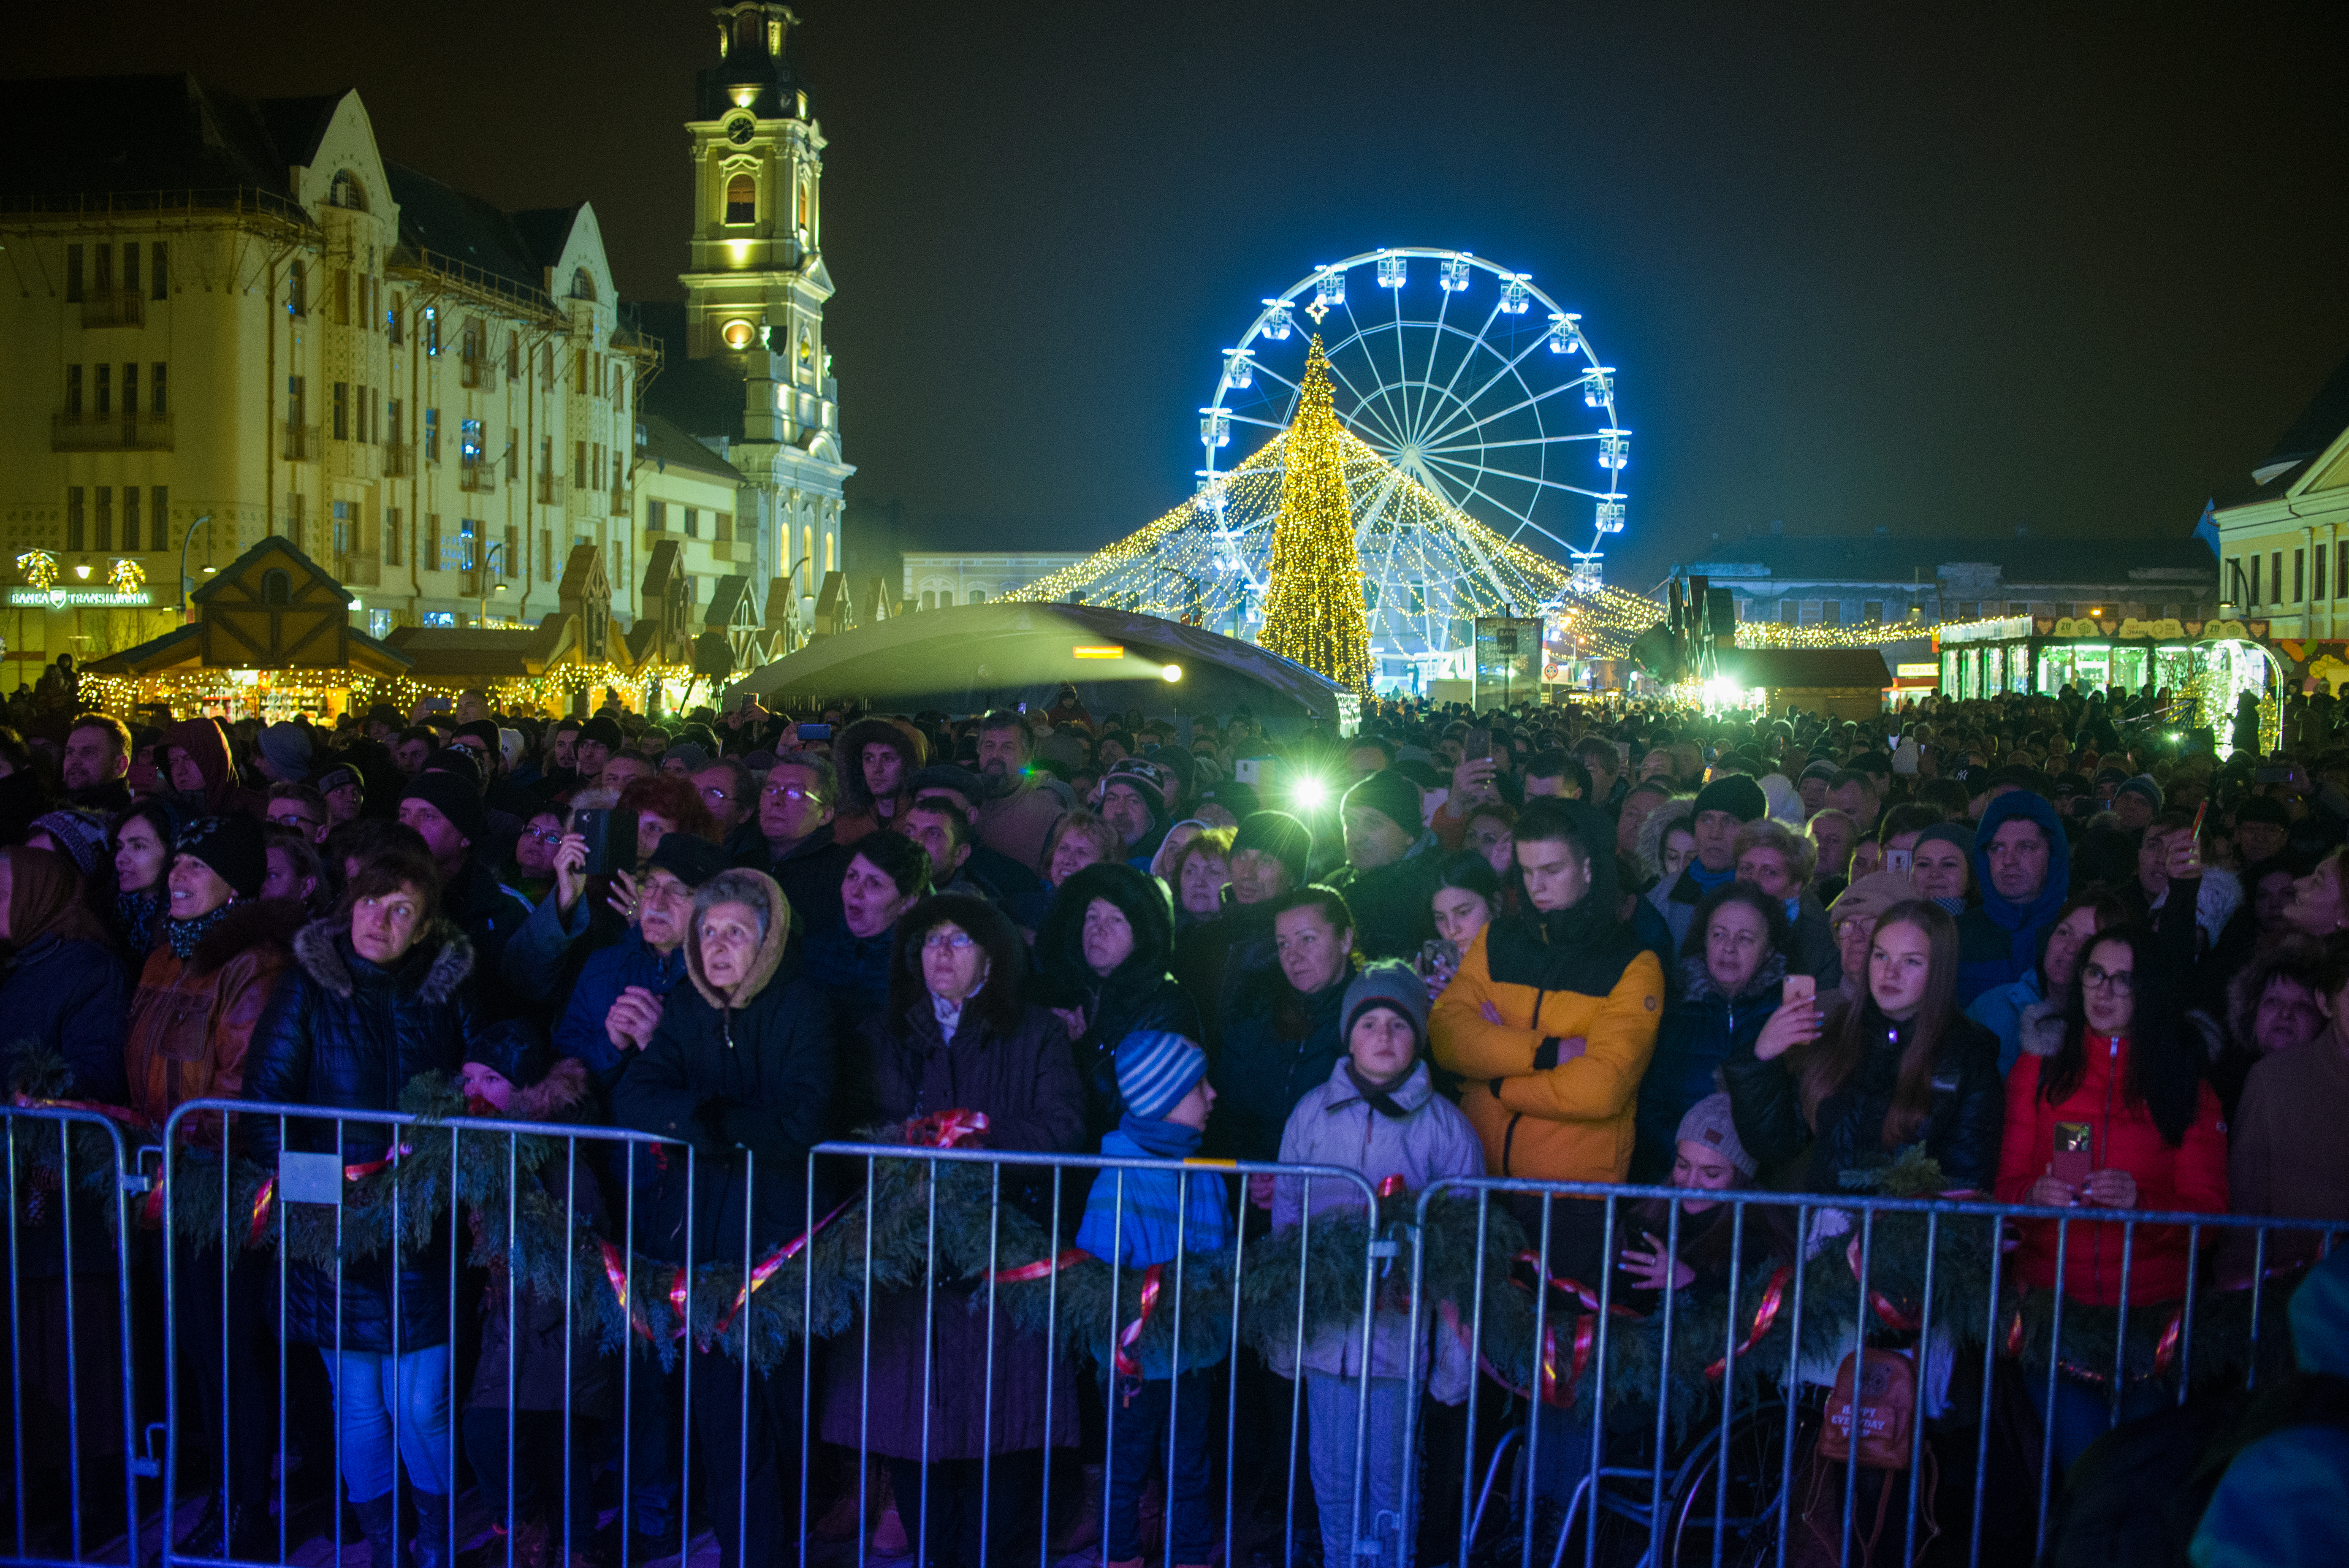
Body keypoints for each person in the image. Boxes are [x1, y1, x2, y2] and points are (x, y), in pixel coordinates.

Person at [817, 894, 1084, 1568]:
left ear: (991, 957)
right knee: (914, 1435)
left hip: (1004, 1261)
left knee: (1003, 1439)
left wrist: (980, 1133)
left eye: (959, 940)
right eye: (931, 939)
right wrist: (905, 1142)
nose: (941, 951)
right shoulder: (882, 1034)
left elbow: (1063, 1127)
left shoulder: (1036, 1035)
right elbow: (850, 1129)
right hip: (908, 1266)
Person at [244, 842, 485, 1568]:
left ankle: (438, 1538)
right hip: (335, 1232)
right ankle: (385, 1544)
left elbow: (489, 1077)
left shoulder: (450, 988)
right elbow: (265, 1107)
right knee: (358, 1406)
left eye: (403, 908)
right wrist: (319, 1195)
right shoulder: (305, 988)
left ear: (425, 926)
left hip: (423, 1228)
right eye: (372, 901)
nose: (381, 919)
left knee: (420, 1406)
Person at [610, 868, 834, 1568]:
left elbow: (802, 1116)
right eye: (707, 932)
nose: (717, 945)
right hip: (704, 1246)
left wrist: (706, 1117)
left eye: (735, 931)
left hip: (782, 1243)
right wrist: (715, 1122)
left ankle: (783, 1541)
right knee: (723, 1420)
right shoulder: (687, 1005)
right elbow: (637, 1092)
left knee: (782, 1413)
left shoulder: (802, 1005)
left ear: (767, 941)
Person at [1271, 962, 1481, 1568]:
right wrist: (1287, 1335)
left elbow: (1462, 1253)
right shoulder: (1312, 1115)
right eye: (1368, 1022)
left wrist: (1454, 1361)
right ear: (1349, 1035)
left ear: (1419, 1036)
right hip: (1327, 1342)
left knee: (1392, 1480)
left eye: (1398, 1023)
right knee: (1331, 1473)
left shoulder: (1446, 1129)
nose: (1383, 1035)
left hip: (1398, 1344)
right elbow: (1289, 1222)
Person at [1997, 923, 2228, 1466]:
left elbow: (2211, 1216)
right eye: (2095, 974)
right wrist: (2033, 1194)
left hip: (2151, 1326)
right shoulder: (2037, 1068)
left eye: (2123, 981)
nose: (2103, 992)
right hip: (2055, 1318)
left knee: (2140, 1484)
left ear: (2148, 991)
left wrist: (2140, 1204)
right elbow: (2002, 1192)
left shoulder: (2183, 1079)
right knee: (2088, 1474)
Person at [454, 1026, 610, 1568]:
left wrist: (531, 1325)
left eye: (491, 1079)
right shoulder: (487, 1149)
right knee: (524, 1436)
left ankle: (555, 1542)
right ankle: (547, 1537)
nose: (474, 1090)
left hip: (555, 1323)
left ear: (522, 1091)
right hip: (517, 1321)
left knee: (527, 1436)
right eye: (469, 1076)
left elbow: (577, 1259)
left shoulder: (554, 1159)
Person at [1072, 1030, 1229, 1568]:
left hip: (1194, 1360)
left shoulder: (1206, 1175)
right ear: (1163, 1100)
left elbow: (1222, 1260)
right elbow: (1098, 1283)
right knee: (1126, 1467)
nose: (1212, 1096)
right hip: (1135, 1366)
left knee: (1191, 1466)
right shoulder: (1117, 1182)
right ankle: (1120, 1557)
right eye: (1198, 1087)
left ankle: (1188, 1556)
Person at [1722, 898, 2003, 1192]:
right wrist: (1761, 1059)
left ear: (1939, 970)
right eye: (1881, 956)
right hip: (1827, 1229)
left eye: (1911, 961)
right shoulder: (1837, 1033)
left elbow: (1966, 1186)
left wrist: (1889, 1234)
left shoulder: (1968, 1056)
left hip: (1911, 1234)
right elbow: (1776, 1145)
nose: (1890, 973)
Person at [1630, 881, 1789, 1183]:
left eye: (1745, 939)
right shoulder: (1672, 1006)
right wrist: (1690, 1163)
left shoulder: (1785, 1015)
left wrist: (1734, 1167)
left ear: (1769, 951)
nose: (1729, 948)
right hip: (1672, 1179)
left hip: (1753, 1190)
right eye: (1719, 935)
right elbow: (1648, 1101)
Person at [1036, 862, 1199, 1139]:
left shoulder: (1166, 1004)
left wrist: (1083, 1050)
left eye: (1116, 920)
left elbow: (1150, 1108)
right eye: (1092, 917)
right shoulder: (1065, 992)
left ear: (1142, 934)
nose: (1098, 930)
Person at [2226, 936, 2349, 1275]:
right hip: (2292, 1290)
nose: (2285, 1016)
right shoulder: (2271, 1080)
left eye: (2300, 1007)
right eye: (2273, 1003)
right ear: (2328, 1003)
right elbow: (2247, 1202)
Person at [1210, 885, 1359, 1165]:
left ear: (1345, 940)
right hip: (1252, 1183)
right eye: (1283, 944)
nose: (1292, 956)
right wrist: (1257, 1172)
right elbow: (1227, 1108)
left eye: (1308, 939)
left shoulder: (1370, 1018)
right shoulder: (1254, 1011)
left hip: (1331, 1183)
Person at [1966, 890, 2129, 1076]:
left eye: (2088, 942)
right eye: (2064, 932)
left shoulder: (2113, 1032)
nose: (2070, 948)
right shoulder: (1992, 1007)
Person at [398, 772, 531, 993]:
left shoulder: (506, 909)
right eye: (403, 815)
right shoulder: (376, 896)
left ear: (465, 835)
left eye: (428, 816)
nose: (409, 827)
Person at [1956, 789, 2073, 1006]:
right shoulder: (1957, 935)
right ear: (1984, 856)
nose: (2009, 860)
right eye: (1997, 848)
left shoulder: (2076, 935)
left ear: (2052, 854)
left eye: (2026, 847)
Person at [800, 833, 930, 1024]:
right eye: (852, 876)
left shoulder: (918, 971)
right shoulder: (813, 950)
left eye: (874, 884)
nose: (855, 891)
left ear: (908, 902)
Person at [1324, 770, 1440, 962]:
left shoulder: (1436, 890)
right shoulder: (1331, 886)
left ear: (1409, 834)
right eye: (1350, 822)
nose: (1357, 836)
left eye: (1373, 823)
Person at [1648, 775, 1766, 949]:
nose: (1715, 833)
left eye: (1731, 822)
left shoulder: (1768, 896)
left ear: (1754, 832)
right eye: (1707, 819)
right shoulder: (1668, 890)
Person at [753, 748, 853, 932]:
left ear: (825, 815)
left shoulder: (843, 874)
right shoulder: (741, 860)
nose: (777, 800)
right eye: (770, 789)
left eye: (794, 792)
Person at [1731, 817, 1837, 984]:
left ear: (1796, 885)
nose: (1754, 880)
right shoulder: (1715, 919)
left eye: (1770, 872)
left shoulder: (1819, 944)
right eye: (1747, 868)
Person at [973, 710, 1066, 874]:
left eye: (1007, 748)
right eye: (989, 746)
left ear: (1027, 758)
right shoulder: (961, 798)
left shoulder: (1048, 818)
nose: (996, 755)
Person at [832, 717, 925, 844]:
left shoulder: (924, 825)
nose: (877, 769)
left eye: (888, 758)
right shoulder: (846, 826)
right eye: (869, 759)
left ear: (907, 765)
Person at [107, 800, 177, 960]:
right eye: (120, 847)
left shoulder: (183, 927)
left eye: (138, 846)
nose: (120, 859)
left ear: (171, 851)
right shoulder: (108, 909)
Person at [1424, 850, 1502, 992]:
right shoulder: (1440, 977)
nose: (1452, 930)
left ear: (1496, 905)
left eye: (1463, 912)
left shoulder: (1527, 966)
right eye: (1441, 918)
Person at [60, 712, 132, 813]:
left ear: (120, 765)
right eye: (70, 752)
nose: (74, 761)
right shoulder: (50, 813)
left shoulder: (130, 823)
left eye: (88, 752)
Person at [1164, 825, 1234, 929]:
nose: (1199, 882)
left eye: (1213, 873)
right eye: (1190, 872)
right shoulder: (1162, 929)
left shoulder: (1243, 936)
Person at [1041, 808, 1120, 890]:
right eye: (1064, 848)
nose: (1067, 860)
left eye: (1082, 853)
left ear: (1103, 865)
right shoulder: (1031, 901)